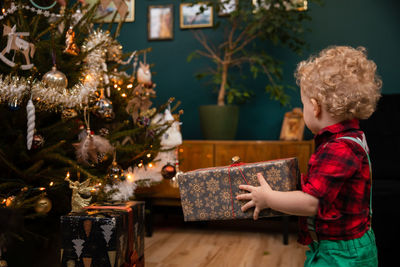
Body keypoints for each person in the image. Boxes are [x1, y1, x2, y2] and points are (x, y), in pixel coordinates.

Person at [236, 45, 382, 266]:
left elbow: (311, 203)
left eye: (303, 104)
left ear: (315, 107)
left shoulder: (338, 148)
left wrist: (267, 199)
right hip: (345, 246)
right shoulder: (352, 137)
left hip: (340, 255)